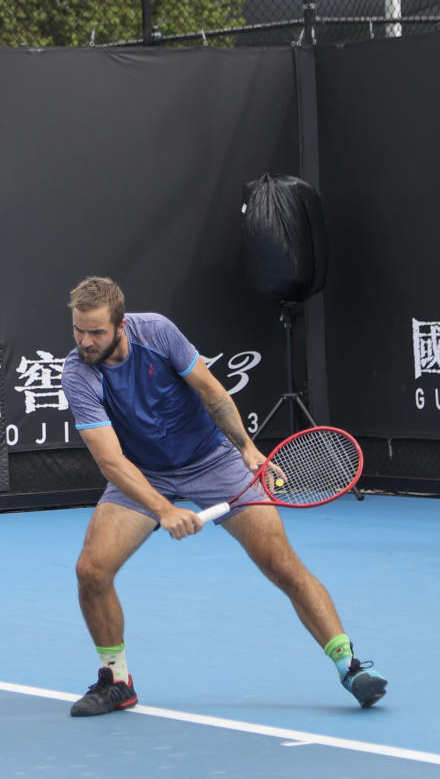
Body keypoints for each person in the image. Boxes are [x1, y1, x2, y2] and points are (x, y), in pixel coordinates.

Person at [62, 275, 386, 717]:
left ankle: (349, 666)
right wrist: (164, 509)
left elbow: (211, 390)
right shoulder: (78, 374)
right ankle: (116, 680)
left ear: (121, 325)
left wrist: (248, 451)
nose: (85, 341)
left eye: (95, 331)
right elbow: (112, 461)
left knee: (281, 563)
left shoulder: (156, 332)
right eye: (78, 330)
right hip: (142, 473)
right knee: (92, 570)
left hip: (212, 459)